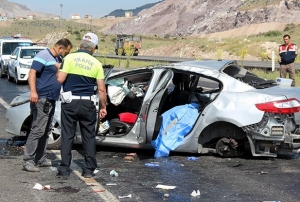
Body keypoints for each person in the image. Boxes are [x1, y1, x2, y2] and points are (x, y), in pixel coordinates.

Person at [56, 32, 107, 179]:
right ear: (93, 48)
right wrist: (103, 107)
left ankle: (64, 169)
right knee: (89, 136)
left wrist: (58, 70)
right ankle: (88, 169)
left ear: (80, 45)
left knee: (67, 136)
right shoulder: (97, 64)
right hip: (88, 103)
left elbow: (60, 79)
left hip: (70, 103)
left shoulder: (69, 58)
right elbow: (101, 89)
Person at [22, 38, 73, 172]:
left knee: (46, 130)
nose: (65, 55)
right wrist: (33, 91)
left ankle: (40, 158)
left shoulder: (55, 59)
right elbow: (32, 73)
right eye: (66, 52)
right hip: (42, 98)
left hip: (51, 98)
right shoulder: (43, 56)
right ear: (60, 48)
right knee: (38, 129)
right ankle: (28, 160)